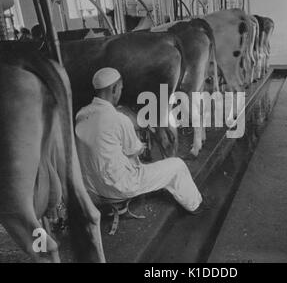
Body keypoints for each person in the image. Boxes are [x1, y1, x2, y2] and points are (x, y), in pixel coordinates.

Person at [75, 68, 207, 215]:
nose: (120, 93)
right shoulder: (118, 118)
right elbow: (136, 150)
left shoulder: (81, 114)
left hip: (92, 189)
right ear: (114, 89)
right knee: (177, 165)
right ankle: (197, 205)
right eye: (120, 89)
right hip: (118, 187)